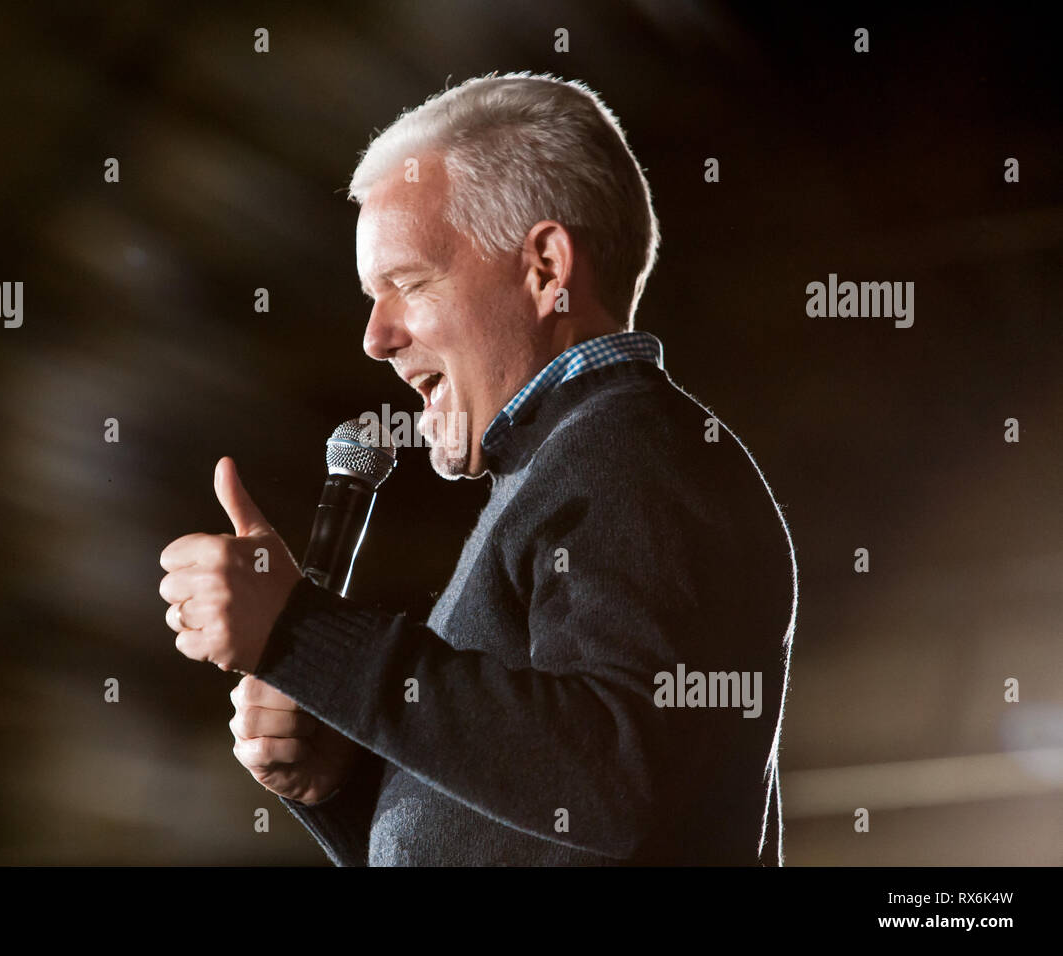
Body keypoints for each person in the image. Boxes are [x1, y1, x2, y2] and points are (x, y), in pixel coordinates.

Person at [158, 72, 798, 865]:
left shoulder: (633, 451)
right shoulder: (564, 465)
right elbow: (541, 827)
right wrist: (337, 782)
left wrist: (305, 633)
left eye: (407, 284)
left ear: (545, 268)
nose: (375, 337)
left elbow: (619, 778)